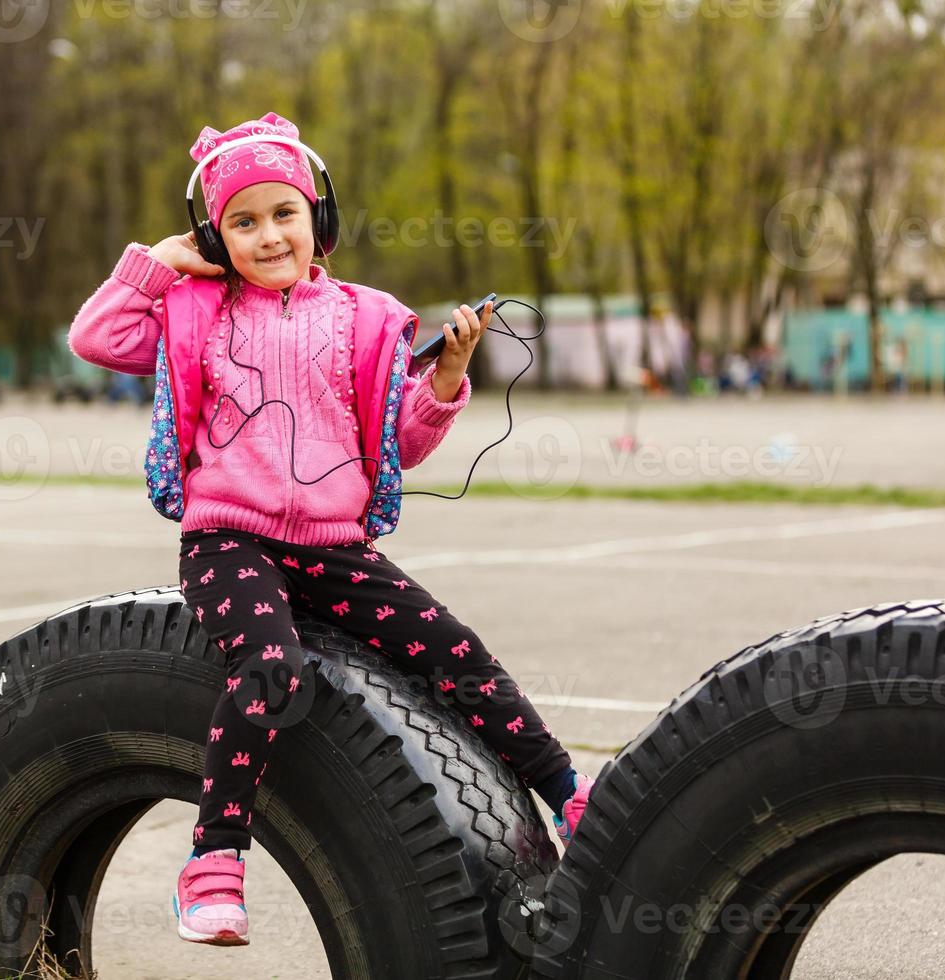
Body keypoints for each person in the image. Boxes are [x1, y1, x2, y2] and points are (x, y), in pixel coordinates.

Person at [68, 112, 596, 948]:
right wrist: (156, 264)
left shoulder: (368, 319)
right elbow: (95, 338)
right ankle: (213, 861)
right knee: (273, 667)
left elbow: (404, 444)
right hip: (228, 539)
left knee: (456, 653)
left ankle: (569, 791)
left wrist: (448, 375)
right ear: (215, 232)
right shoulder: (196, 307)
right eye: (241, 221)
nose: (268, 235)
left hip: (333, 544)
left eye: (284, 213)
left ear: (321, 214)